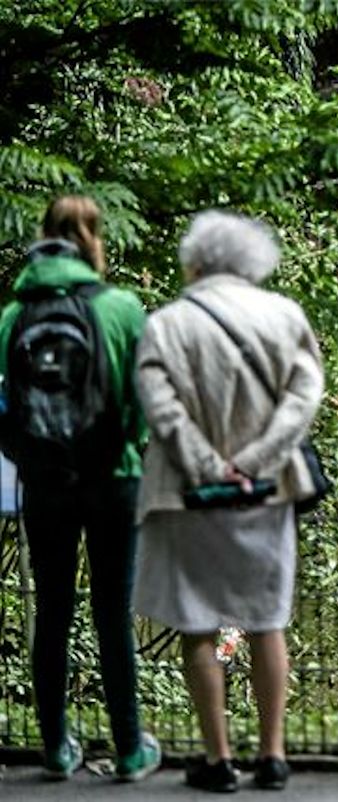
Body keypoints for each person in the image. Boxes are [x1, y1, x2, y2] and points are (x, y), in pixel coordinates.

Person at [133, 210, 323, 793]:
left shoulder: (167, 324)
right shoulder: (283, 315)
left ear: (195, 259)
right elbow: (304, 396)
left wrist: (209, 468)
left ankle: (217, 760)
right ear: (253, 261)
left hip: (190, 496)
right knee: (268, 622)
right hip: (267, 494)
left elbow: (160, 408)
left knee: (198, 625)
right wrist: (256, 463)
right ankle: (272, 754)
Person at [0, 195, 160, 781]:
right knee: (113, 613)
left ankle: (55, 749)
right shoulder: (121, 308)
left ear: (45, 236)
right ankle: (128, 748)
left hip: (44, 483)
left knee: (53, 611)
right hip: (113, 478)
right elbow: (142, 403)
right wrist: (126, 445)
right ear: (95, 239)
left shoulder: (12, 317)